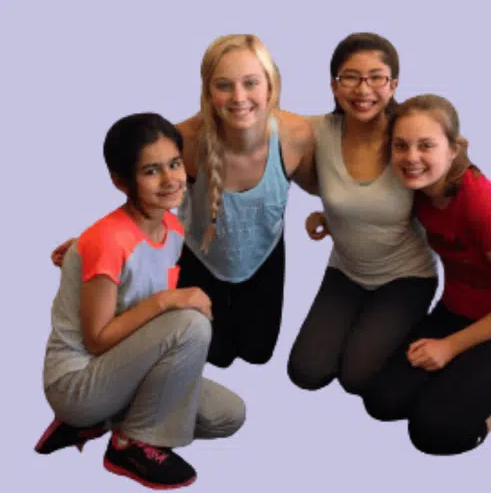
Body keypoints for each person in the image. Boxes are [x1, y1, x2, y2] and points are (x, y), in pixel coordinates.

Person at [52, 34, 317, 369]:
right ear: (208, 91)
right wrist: (95, 245)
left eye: (251, 83)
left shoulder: (298, 135)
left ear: (271, 86)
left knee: (258, 352)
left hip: (263, 255)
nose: (239, 97)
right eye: (224, 85)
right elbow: (147, 197)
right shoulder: (185, 140)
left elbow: (330, 185)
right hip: (201, 255)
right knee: (212, 354)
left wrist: (324, 217)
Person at [36, 113, 246, 489]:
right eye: (151, 171)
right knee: (191, 322)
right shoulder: (105, 241)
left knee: (229, 415)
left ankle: (100, 422)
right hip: (79, 381)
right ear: (121, 181)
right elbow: (97, 339)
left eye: (175, 164)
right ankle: (129, 443)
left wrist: (81, 252)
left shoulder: (172, 229)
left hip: (123, 371)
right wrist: (167, 300)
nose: (170, 179)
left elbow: (135, 274)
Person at [358, 93, 491, 455]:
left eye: (426, 146)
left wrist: (450, 348)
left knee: (432, 432)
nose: (412, 157)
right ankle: (464, 383)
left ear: (454, 149)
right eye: (401, 146)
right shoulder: (417, 190)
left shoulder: (484, 207)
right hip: (456, 314)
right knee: (382, 402)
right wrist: (326, 218)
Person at [288, 33, 437, 397]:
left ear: (394, 84)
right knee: (306, 373)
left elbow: (449, 166)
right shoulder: (316, 131)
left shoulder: (409, 136)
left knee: (358, 378)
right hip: (346, 270)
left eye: (376, 77)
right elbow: (265, 122)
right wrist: (329, 213)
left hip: (406, 276)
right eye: (350, 77)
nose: (363, 89)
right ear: (334, 86)